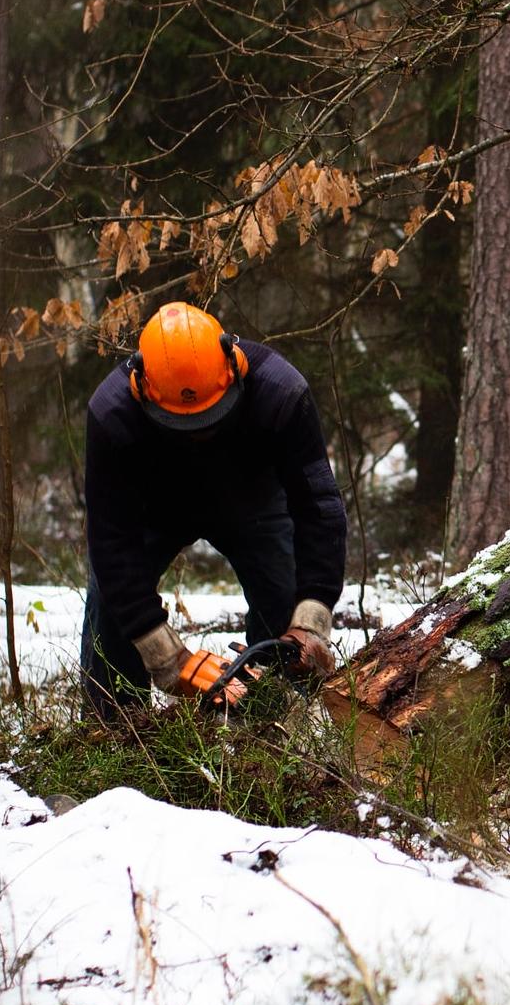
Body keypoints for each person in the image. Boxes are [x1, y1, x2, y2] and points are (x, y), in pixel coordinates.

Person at [79, 300, 347, 716]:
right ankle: (113, 733)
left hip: (252, 499)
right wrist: (164, 655)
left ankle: (273, 725)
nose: (200, 434)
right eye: (183, 423)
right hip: (153, 508)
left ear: (234, 366)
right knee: (110, 611)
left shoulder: (281, 392)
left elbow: (319, 508)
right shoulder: (112, 414)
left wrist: (312, 620)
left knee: (286, 599)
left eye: (212, 418)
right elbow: (111, 541)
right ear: (141, 389)